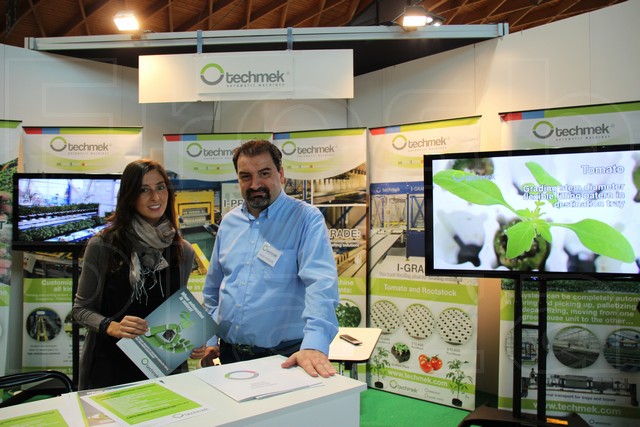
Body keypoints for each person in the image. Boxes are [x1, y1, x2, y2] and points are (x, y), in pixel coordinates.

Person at [202, 139, 339, 378]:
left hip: (283, 358)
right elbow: (214, 289)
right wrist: (210, 338)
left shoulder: (305, 219)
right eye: (246, 176)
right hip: (230, 355)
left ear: (281, 174)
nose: (255, 184)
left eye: (264, 173)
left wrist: (314, 345)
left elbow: (320, 285)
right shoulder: (229, 223)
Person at [73, 159, 202, 390]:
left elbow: (175, 312)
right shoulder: (103, 245)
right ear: (129, 196)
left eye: (160, 187)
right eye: (144, 190)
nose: (155, 197)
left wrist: (192, 341)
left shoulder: (182, 251)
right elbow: (81, 310)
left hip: (164, 370)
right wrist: (111, 326)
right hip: (111, 368)